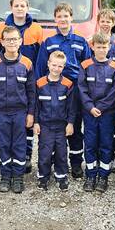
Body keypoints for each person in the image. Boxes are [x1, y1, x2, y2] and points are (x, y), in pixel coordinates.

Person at [36, 2, 92, 179]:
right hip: (53, 90)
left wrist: (86, 90)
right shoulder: (49, 42)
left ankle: (76, 164)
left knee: (74, 127)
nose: (63, 19)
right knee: (54, 126)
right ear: (55, 19)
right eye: (59, 16)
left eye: (66, 16)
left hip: (75, 90)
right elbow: (40, 68)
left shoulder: (81, 41)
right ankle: (52, 162)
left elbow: (87, 67)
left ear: (71, 18)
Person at [0, 0, 44, 175]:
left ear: (27, 8)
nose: (20, 8)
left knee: (25, 129)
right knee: (6, 138)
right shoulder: (2, 29)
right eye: (16, 5)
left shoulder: (37, 28)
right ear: (11, 7)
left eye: (23, 5)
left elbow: (41, 57)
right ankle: (7, 171)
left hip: (29, 79)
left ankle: (25, 158)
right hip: (5, 93)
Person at [0, 26, 36, 193]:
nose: (11, 42)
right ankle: (5, 177)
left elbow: (32, 91)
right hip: (1, 112)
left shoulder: (27, 63)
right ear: (2, 42)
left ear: (20, 41)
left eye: (15, 39)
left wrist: (31, 113)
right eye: (8, 39)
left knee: (19, 145)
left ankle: (18, 178)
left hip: (20, 113)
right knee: (3, 145)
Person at [79, 32, 115, 193]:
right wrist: (90, 107)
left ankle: (103, 176)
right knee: (89, 144)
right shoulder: (85, 65)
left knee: (105, 144)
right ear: (93, 47)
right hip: (89, 113)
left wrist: (101, 107)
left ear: (109, 47)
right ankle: (90, 175)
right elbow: (82, 88)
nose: (102, 50)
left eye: (104, 47)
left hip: (107, 114)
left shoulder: (114, 67)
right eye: (99, 47)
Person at [34, 51, 76, 191]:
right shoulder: (39, 84)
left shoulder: (68, 84)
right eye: (54, 65)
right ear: (48, 64)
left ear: (63, 67)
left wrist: (70, 123)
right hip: (45, 125)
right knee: (44, 153)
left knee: (61, 152)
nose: (56, 69)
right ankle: (43, 177)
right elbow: (36, 105)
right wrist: (36, 122)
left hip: (61, 126)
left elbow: (71, 107)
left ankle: (61, 176)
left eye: (60, 66)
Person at [90, 8, 115, 174]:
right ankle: (97, 156)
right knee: (94, 130)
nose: (105, 24)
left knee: (112, 129)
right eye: (102, 21)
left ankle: (111, 155)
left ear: (113, 23)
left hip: (113, 96)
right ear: (98, 22)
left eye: (108, 21)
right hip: (95, 96)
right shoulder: (93, 41)